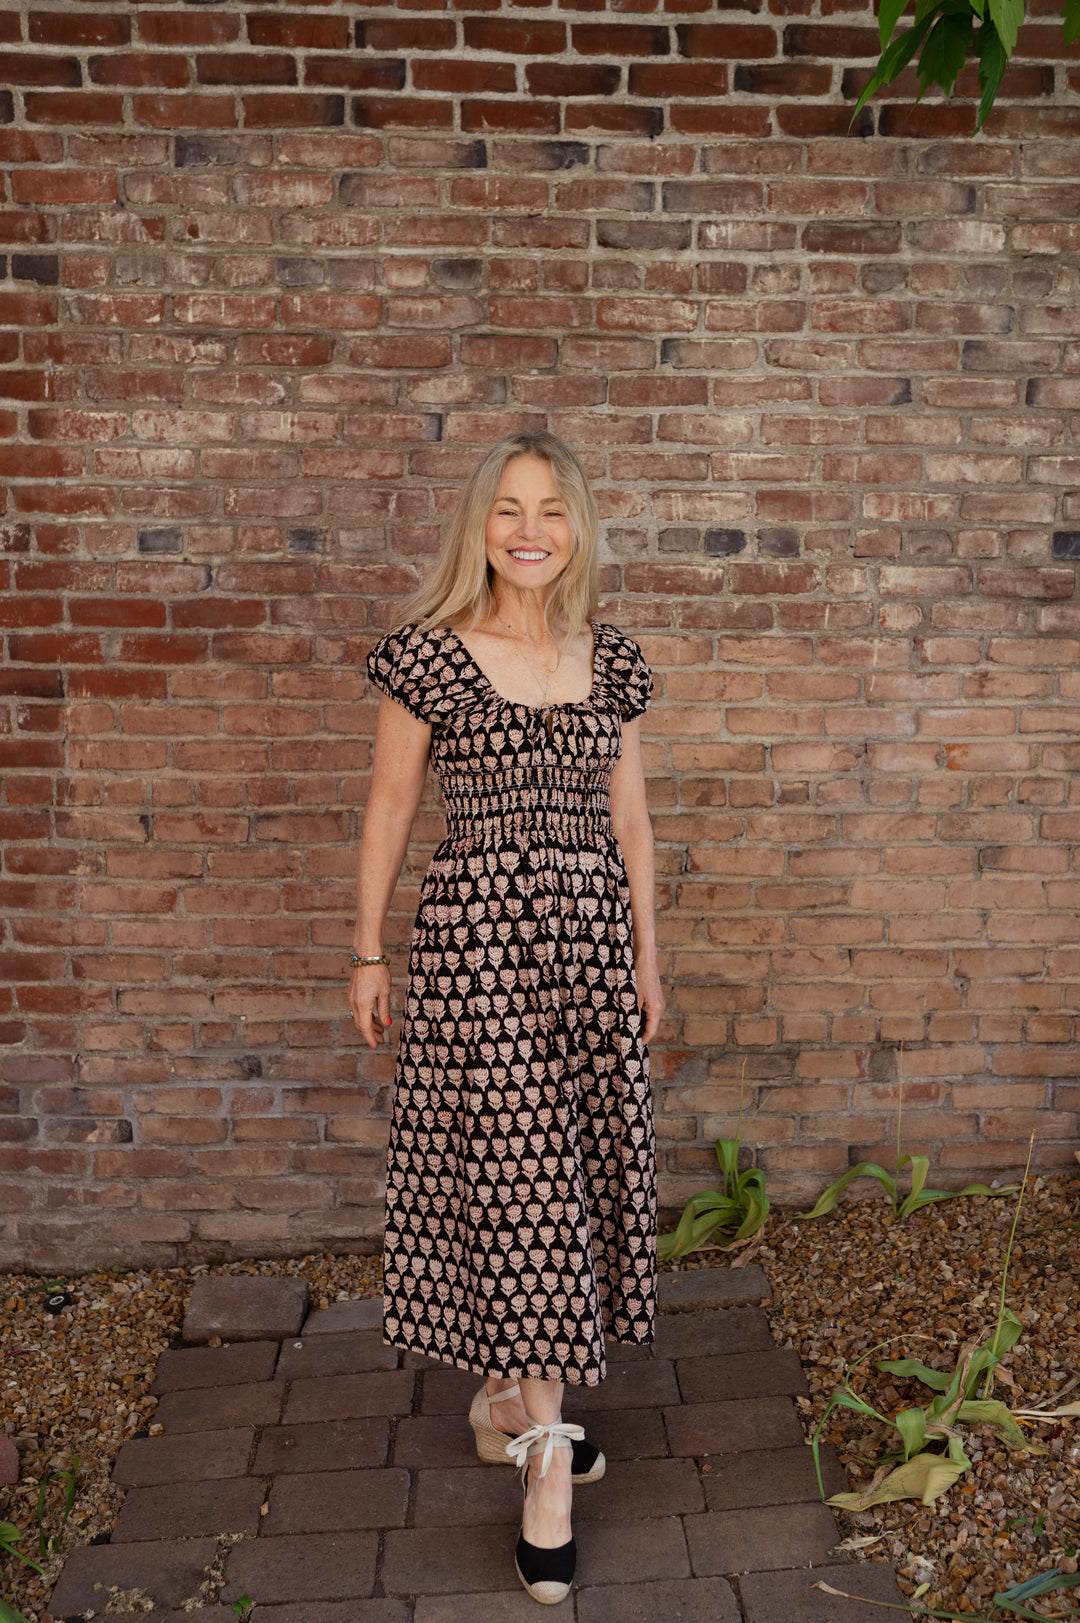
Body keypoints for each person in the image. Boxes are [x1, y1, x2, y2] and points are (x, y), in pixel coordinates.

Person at [349, 430, 664, 1605]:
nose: (530, 531)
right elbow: (390, 805)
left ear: (577, 528)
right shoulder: (428, 657)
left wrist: (648, 958)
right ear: (477, 528)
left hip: (591, 952)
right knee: (519, 1181)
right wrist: (367, 950)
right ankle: (547, 1471)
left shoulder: (611, 659)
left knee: (567, 1172)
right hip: (479, 953)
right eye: (508, 510)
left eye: (551, 510)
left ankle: (506, 1399)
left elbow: (631, 821)